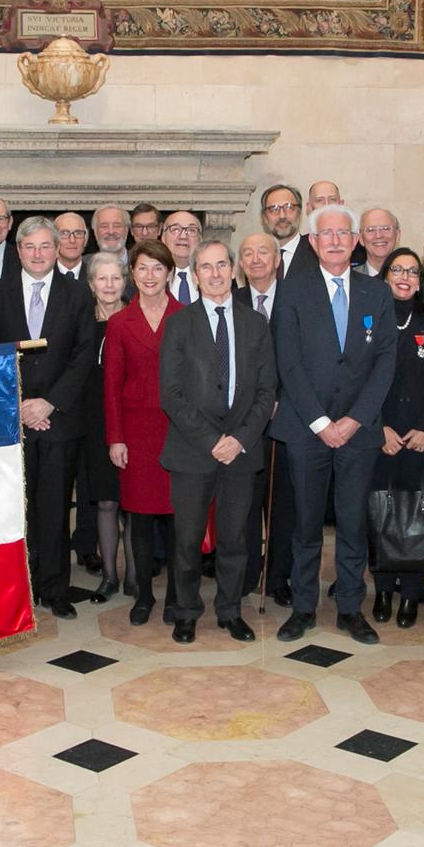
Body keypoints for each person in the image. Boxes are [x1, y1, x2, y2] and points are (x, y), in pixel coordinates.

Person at [269, 205, 397, 645]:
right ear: (312, 242)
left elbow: (385, 361)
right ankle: (303, 607)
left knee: (352, 521)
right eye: (327, 235)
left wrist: (355, 419)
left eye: (344, 233)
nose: (337, 241)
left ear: (356, 239)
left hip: (359, 431)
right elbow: (288, 361)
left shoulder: (375, 293)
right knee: (305, 523)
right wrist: (322, 422)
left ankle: (349, 608)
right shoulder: (292, 291)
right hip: (307, 428)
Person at [159, 239, 278, 642]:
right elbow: (170, 394)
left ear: (233, 270)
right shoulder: (178, 324)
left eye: (221, 265)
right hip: (193, 450)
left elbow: (267, 392)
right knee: (188, 539)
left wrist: (239, 439)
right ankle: (187, 611)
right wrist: (213, 440)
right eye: (205, 267)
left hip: (241, 453)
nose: (214, 274)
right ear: (194, 275)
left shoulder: (255, 323)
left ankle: (230, 610)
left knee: (235, 539)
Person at [0, 217, 95, 619]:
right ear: (18, 251)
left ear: (57, 250)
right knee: (16, 507)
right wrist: (19, 404)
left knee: (54, 507)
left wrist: (48, 403)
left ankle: (54, 588)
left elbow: (84, 354)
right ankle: (20, 586)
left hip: (60, 419)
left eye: (45, 246)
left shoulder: (77, 294)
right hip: (11, 420)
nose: (37, 254)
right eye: (29, 247)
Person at [104, 239, 184, 624]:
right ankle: (144, 595)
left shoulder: (188, 316)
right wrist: (115, 438)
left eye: (157, 268)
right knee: (138, 515)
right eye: (142, 268)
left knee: (174, 515)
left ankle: (173, 596)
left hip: (177, 430)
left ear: (169, 273)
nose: (150, 276)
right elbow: (111, 386)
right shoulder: (120, 323)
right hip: (135, 432)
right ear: (132, 275)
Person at [368, 248, 424, 629]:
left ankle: (411, 593)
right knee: (381, 513)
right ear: (384, 276)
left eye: (412, 271)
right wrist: (377, 425)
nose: (404, 276)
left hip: (421, 437)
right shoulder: (368, 321)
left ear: (421, 280)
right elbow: (360, 380)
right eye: (396, 269)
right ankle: (382, 589)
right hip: (379, 434)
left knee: (418, 513)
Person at [238, 230, 291, 599]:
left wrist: (281, 399)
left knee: (283, 505)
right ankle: (243, 576)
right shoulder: (232, 300)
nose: (256, 259)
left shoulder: (297, 300)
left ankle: (277, 579)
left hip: (287, 416)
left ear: (277, 260)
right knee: (243, 503)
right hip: (242, 421)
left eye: (263, 253)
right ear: (240, 264)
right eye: (247, 254)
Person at [77, 252, 129, 600]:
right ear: (91, 283)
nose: (109, 285)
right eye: (102, 279)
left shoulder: (138, 317)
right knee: (107, 502)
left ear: (125, 281)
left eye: (116, 278)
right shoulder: (79, 320)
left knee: (135, 506)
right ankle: (110, 577)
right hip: (95, 422)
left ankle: (137, 580)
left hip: (134, 420)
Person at [259, 184, 304, 276]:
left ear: (299, 213)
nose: (282, 216)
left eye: (289, 207)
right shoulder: (256, 259)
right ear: (264, 217)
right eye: (274, 209)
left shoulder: (317, 254)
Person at [162, 211, 201, 304]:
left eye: (191, 230)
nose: (183, 236)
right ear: (163, 238)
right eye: (175, 229)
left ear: (200, 240)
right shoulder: (150, 276)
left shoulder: (213, 276)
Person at [359, 208, 401, 277]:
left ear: (397, 235)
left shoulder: (415, 280)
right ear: (361, 239)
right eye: (371, 230)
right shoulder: (348, 281)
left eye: (385, 228)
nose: (378, 235)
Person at [53, 212, 90, 280]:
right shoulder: (43, 275)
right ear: (54, 240)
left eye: (78, 233)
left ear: (85, 240)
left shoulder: (95, 275)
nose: (72, 240)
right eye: (64, 233)